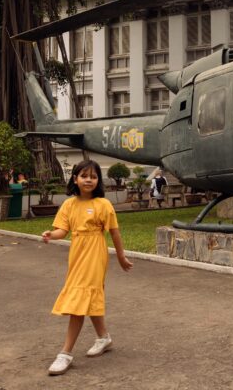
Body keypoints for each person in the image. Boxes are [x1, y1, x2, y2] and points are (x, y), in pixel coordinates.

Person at [41, 159, 133, 376]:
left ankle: (65, 353)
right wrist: (50, 235)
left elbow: (114, 232)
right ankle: (104, 338)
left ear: (98, 180)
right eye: (84, 175)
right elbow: (62, 231)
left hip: (95, 254)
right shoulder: (69, 205)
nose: (89, 180)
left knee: (79, 301)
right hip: (77, 254)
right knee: (88, 297)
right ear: (75, 179)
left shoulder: (103, 205)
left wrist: (121, 256)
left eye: (93, 176)